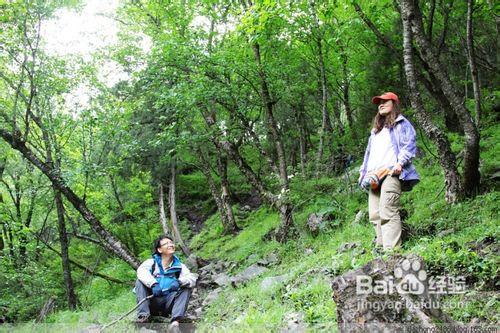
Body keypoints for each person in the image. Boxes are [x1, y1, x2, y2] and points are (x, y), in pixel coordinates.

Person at [359, 92, 419, 250]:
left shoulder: (401, 123)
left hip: (391, 173)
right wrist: (363, 173)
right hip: (373, 176)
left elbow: (409, 144)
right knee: (374, 215)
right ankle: (381, 250)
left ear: (395, 103)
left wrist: (400, 163)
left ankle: (392, 252)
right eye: (379, 102)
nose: (381, 104)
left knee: (388, 210)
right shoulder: (375, 132)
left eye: (385, 101)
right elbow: (368, 154)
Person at [135, 235, 197, 327]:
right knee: (139, 282)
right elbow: (141, 272)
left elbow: (191, 278)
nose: (170, 245)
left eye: (171, 243)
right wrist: (153, 284)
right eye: (166, 243)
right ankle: (143, 317)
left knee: (186, 287)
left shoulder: (179, 266)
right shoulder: (151, 263)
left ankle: (176, 321)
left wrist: (179, 282)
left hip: (169, 303)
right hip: (152, 301)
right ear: (159, 250)